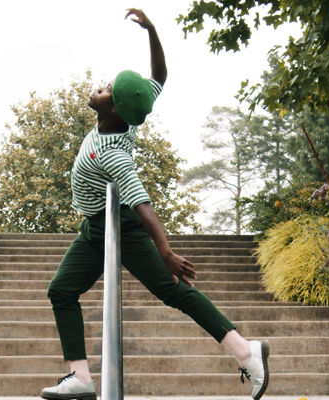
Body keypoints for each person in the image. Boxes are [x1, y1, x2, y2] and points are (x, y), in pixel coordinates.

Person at [40, 8, 269, 400]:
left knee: (173, 291)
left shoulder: (114, 155)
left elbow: (142, 202)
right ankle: (80, 377)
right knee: (61, 290)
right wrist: (153, 31)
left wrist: (164, 250)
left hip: (122, 228)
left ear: (113, 109)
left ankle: (247, 351)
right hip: (95, 229)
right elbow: (158, 78)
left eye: (106, 89)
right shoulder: (126, 113)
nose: (99, 87)